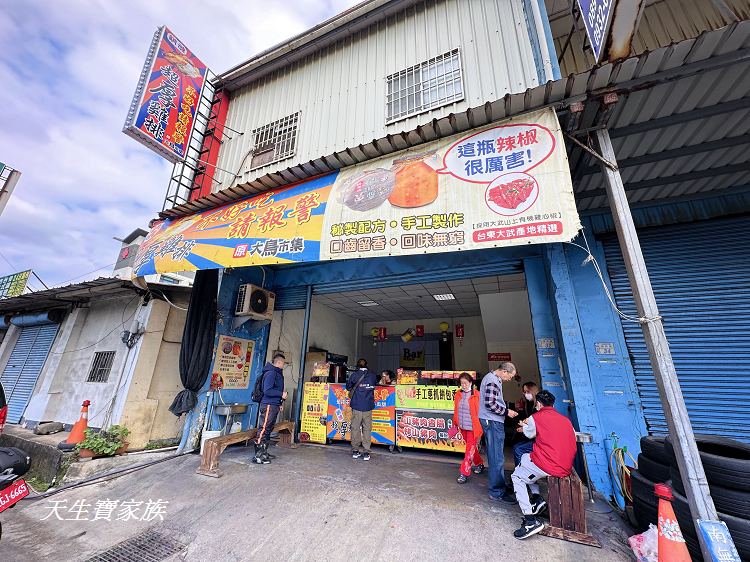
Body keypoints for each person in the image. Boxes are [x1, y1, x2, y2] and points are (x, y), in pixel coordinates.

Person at [511, 390, 577, 540]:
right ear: (553, 404)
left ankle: (530, 521)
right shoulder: (565, 420)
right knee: (526, 458)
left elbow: (528, 434)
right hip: (565, 464)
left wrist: (524, 424)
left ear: (539, 404)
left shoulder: (536, 416)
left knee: (517, 477)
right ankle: (536, 499)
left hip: (549, 464)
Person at [478, 362, 518, 502]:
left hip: (493, 420)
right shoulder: (492, 381)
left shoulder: (493, 379)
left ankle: (499, 485)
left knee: (497, 456)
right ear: (505, 371)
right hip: (492, 421)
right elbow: (490, 404)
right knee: (496, 457)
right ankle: (496, 491)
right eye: (510, 376)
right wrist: (507, 412)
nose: (509, 379)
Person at [253, 353, 287, 464]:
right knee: (264, 428)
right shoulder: (271, 373)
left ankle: (264, 452)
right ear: (278, 362)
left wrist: (279, 403)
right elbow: (267, 390)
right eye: (283, 363)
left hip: (274, 404)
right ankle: (258, 455)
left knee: (268, 428)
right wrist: (281, 394)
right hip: (268, 404)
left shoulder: (277, 373)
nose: (284, 365)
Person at [453, 372, 484, 483]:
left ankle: (464, 473)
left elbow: (482, 412)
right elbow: (456, 410)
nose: (464, 385)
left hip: (473, 428)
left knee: (468, 450)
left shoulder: (477, 395)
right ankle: (479, 464)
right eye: (462, 383)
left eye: (466, 383)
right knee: (471, 448)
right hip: (462, 426)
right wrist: (455, 424)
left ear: (471, 382)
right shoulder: (458, 394)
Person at [347, 358, 377, 461]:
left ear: (357, 366)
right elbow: (375, 385)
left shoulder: (354, 375)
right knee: (367, 429)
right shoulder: (373, 375)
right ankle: (366, 452)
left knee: (355, 428)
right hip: (368, 406)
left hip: (356, 406)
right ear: (367, 365)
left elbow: (348, 387)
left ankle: (355, 451)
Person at [511, 381, 539, 465]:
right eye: (524, 392)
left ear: (533, 391)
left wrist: (524, 428)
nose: (525, 394)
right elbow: (525, 417)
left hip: (537, 437)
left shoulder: (538, 404)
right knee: (516, 442)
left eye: (527, 391)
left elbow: (536, 423)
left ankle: (520, 472)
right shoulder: (528, 404)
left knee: (518, 448)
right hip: (530, 433)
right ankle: (521, 469)